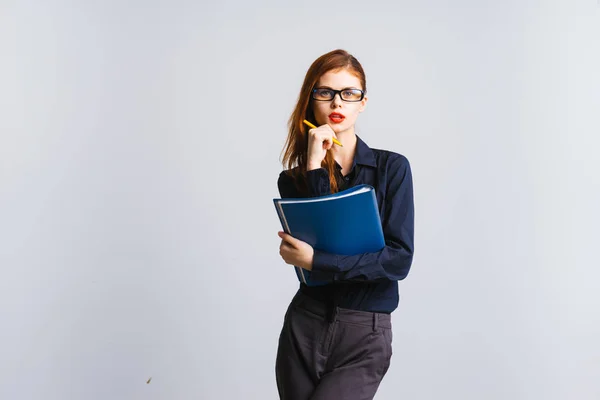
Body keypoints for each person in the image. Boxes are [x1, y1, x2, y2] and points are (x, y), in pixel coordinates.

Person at [275, 49, 415, 400]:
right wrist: (314, 165)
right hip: (305, 323)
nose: (337, 102)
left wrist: (316, 261)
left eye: (348, 93)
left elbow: (397, 260)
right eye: (325, 92)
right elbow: (327, 233)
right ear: (311, 99)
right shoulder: (293, 180)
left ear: (362, 103)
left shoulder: (392, 169)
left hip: (364, 331)